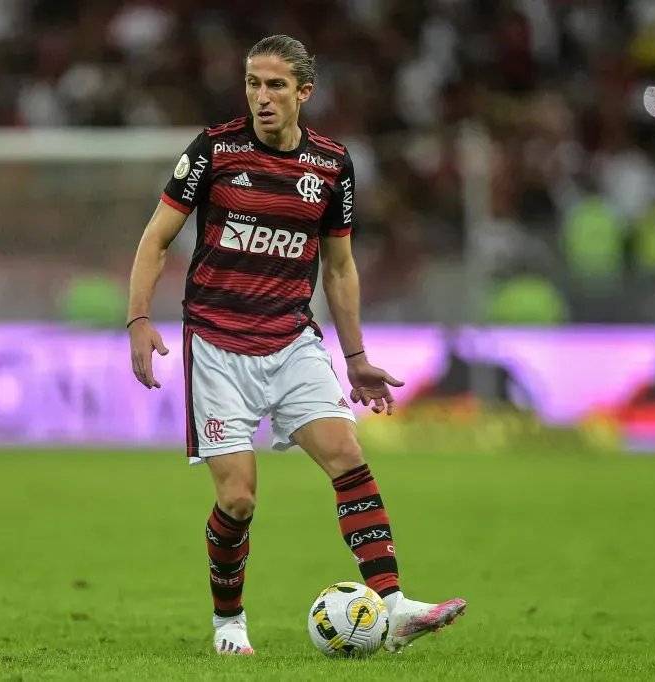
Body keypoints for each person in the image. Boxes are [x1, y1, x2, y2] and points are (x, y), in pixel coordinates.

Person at [126, 34, 466, 655]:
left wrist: (357, 359)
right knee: (239, 497)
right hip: (218, 343)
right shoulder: (213, 152)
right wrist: (139, 319)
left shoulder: (332, 166)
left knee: (346, 454)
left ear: (305, 92)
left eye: (276, 84)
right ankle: (230, 624)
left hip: (290, 339)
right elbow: (155, 239)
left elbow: (339, 268)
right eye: (253, 83)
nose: (262, 96)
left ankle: (391, 610)